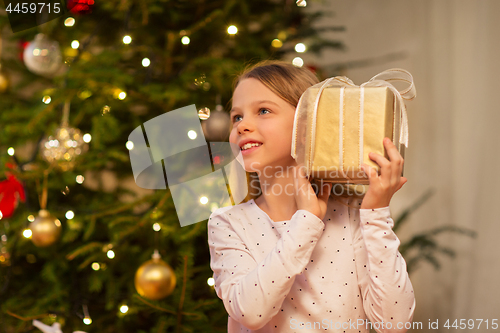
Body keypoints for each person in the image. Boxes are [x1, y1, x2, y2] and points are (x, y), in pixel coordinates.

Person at [207, 60, 415, 333]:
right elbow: (249, 311)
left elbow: (394, 322)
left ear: (309, 124)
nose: (242, 126)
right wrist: (306, 221)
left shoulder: (354, 219)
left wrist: (376, 213)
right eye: (237, 117)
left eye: (263, 111)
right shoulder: (228, 222)